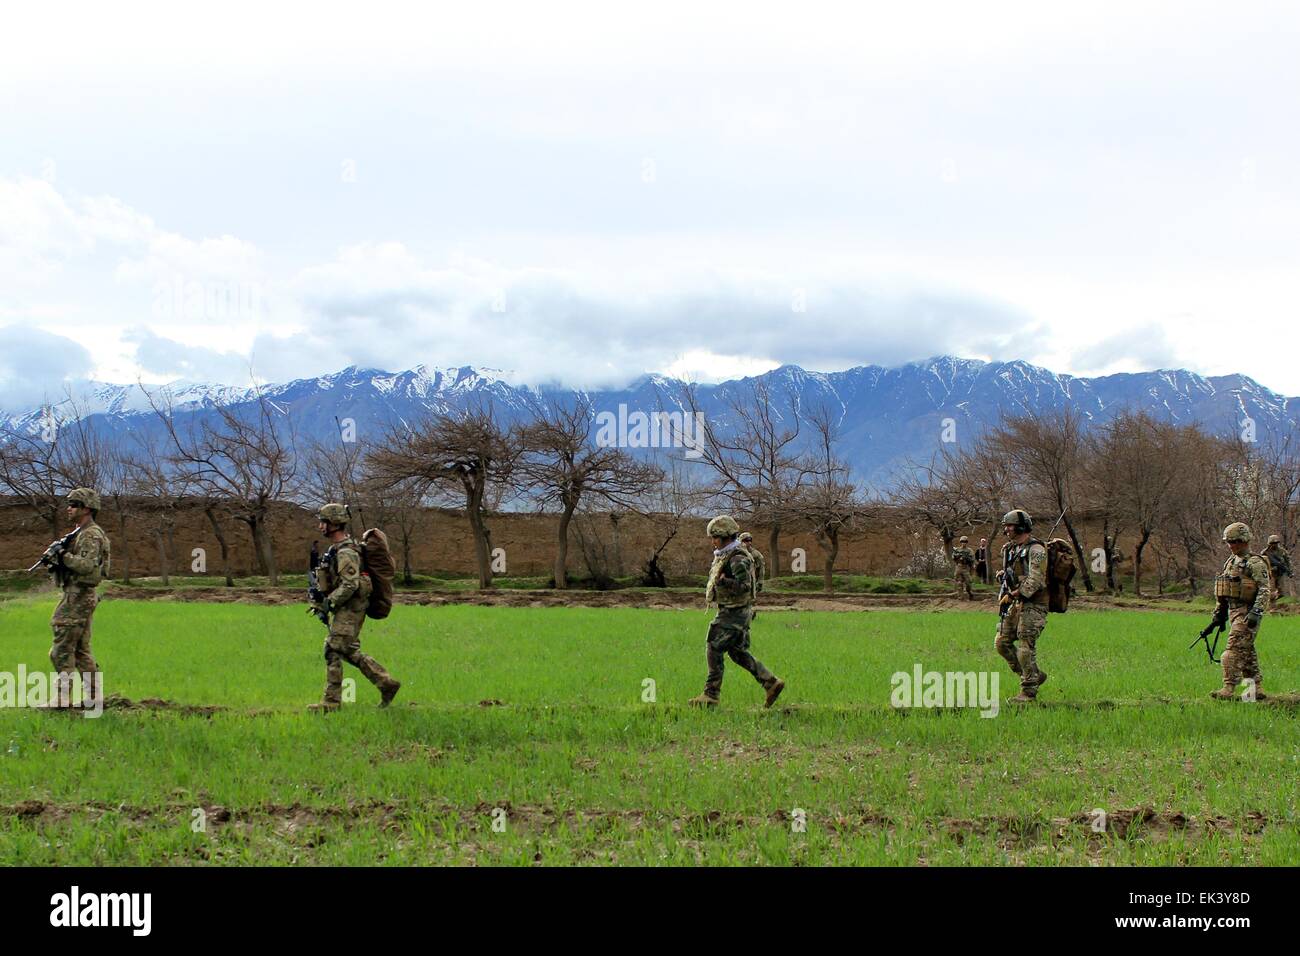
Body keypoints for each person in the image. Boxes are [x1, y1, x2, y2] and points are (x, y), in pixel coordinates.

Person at [308, 503, 401, 712]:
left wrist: (329, 602)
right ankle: (386, 684)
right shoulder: (336, 550)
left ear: (334, 524)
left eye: (323, 522)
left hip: (352, 608)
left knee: (332, 649)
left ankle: (331, 703)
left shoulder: (346, 552)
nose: (320, 526)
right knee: (349, 651)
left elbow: (350, 584)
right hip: (346, 607)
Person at [689, 516, 784, 709]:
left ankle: (711, 694)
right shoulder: (726, 554)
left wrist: (724, 582)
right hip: (735, 611)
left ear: (725, 537)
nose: (712, 541)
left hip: (733, 613)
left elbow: (745, 586)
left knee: (713, 645)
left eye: (715, 537)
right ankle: (770, 682)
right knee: (737, 652)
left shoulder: (737, 557)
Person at [44, 488, 110, 709]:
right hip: (80, 595)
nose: (69, 508)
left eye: (74, 504)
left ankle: (62, 699)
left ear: (87, 508)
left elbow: (86, 566)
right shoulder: (79, 533)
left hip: (78, 596)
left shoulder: (90, 535)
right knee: (81, 651)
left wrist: (62, 555)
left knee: (61, 649)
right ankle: (93, 698)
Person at [1210, 523, 1271, 701]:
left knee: (1233, 649)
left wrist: (1256, 612)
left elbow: (1264, 589)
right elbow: (1223, 588)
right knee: (1247, 651)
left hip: (1248, 613)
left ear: (1244, 541)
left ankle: (1228, 688)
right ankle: (1253, 691)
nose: (1231, 545)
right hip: (1234, 611)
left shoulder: (1255, 563)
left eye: (1235, 541)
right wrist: (1219, 613)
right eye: (1229, 542)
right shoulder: (1230, 562)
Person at [994, 510, 1049, 704]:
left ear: (1021, 526)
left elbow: (1036, 580)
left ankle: (1028, 691)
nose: (1007, 529)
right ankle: (1033, 675)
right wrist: (1004, 576)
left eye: (1010, 525)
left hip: (1034, 604)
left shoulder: (1037, 550)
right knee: (1001, 642)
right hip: (1016, 603)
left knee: (1025, 647)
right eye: (1006, 526)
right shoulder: (1010, 549)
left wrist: (1014, 594)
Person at [1262, 534, 1291, 606]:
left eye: (1276, 543)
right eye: (1273, 543)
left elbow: (1287, 561)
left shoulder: (1282, 551)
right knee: (1271, 591)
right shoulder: (1265, 552)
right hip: (1270, 574)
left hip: (1280, 573)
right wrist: (1271, 568)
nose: (1274, 545)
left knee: (1282, 591)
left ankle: (1282, 606)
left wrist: (1289, 570)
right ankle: (1271, 607)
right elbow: (1262, 564)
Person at [951, 535, 976, 600]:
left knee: (968, 583)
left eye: (965, 541)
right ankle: (960, 597)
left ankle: (970, 593)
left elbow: (972, 559)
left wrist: (966, 558)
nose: (963, 543)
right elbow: (953, 558)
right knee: (959, 583)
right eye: (962, 541)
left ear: (966, 542)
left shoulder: (969, 550)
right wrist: (957, 557)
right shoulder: (957, 550)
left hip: (966, 567)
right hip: (959, 566)